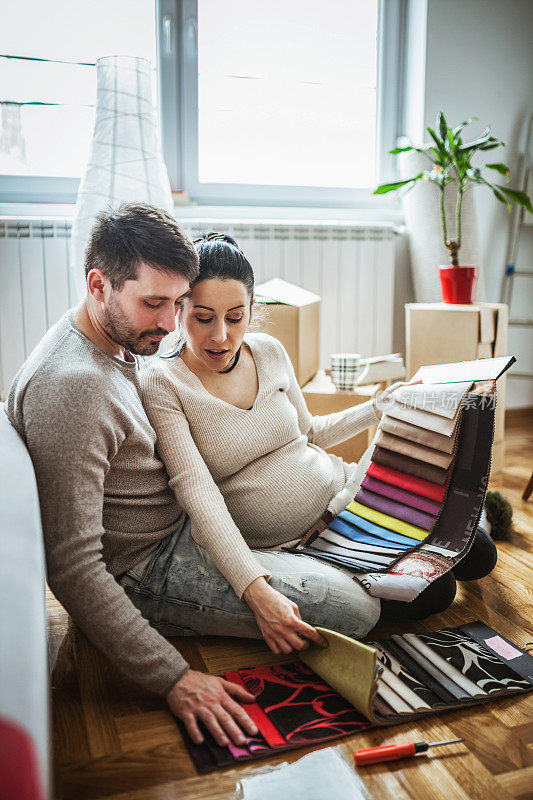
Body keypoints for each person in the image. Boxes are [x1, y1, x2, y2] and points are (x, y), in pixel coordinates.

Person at [138, 233, 497, 650]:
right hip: (297, 546)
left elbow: (310, 433)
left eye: (235, 317)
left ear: (253, 311)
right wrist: (252, 586)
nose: (220, 336)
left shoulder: (268, 351)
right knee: (438, 594)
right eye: (203, 318)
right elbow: (198, 495)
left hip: (348, 496)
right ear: (179, 309)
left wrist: (376, 407)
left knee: (481, 554)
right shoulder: (163, 382)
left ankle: (429, 528)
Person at [5, 205, 265, 750]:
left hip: (185, 524)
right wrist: (173, 678)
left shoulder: (113, 336)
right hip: (147, 570)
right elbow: (73, 566)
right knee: (357, 613)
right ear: (99, 284)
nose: (171, 324)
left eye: (177, 303)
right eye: (154, 304)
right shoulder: (74, 389)